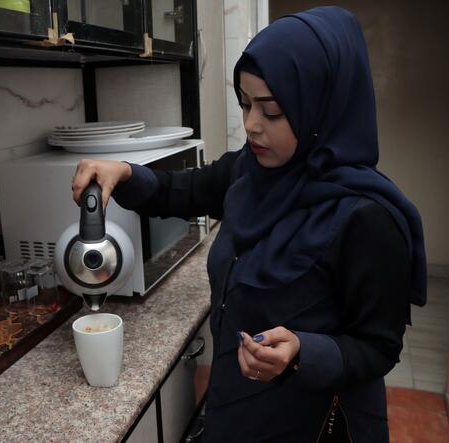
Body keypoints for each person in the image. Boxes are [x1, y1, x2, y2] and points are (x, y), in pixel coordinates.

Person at [71, 6, 426, 443]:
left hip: (309, 424)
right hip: (235, 411)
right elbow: (183, 191)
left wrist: (304, 351)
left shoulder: (367, 219)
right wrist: (124, 172)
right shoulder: (250, 171)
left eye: (272, 111)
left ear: (320, 107)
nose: (251, 125)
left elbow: (378, 347)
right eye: (245, 104)